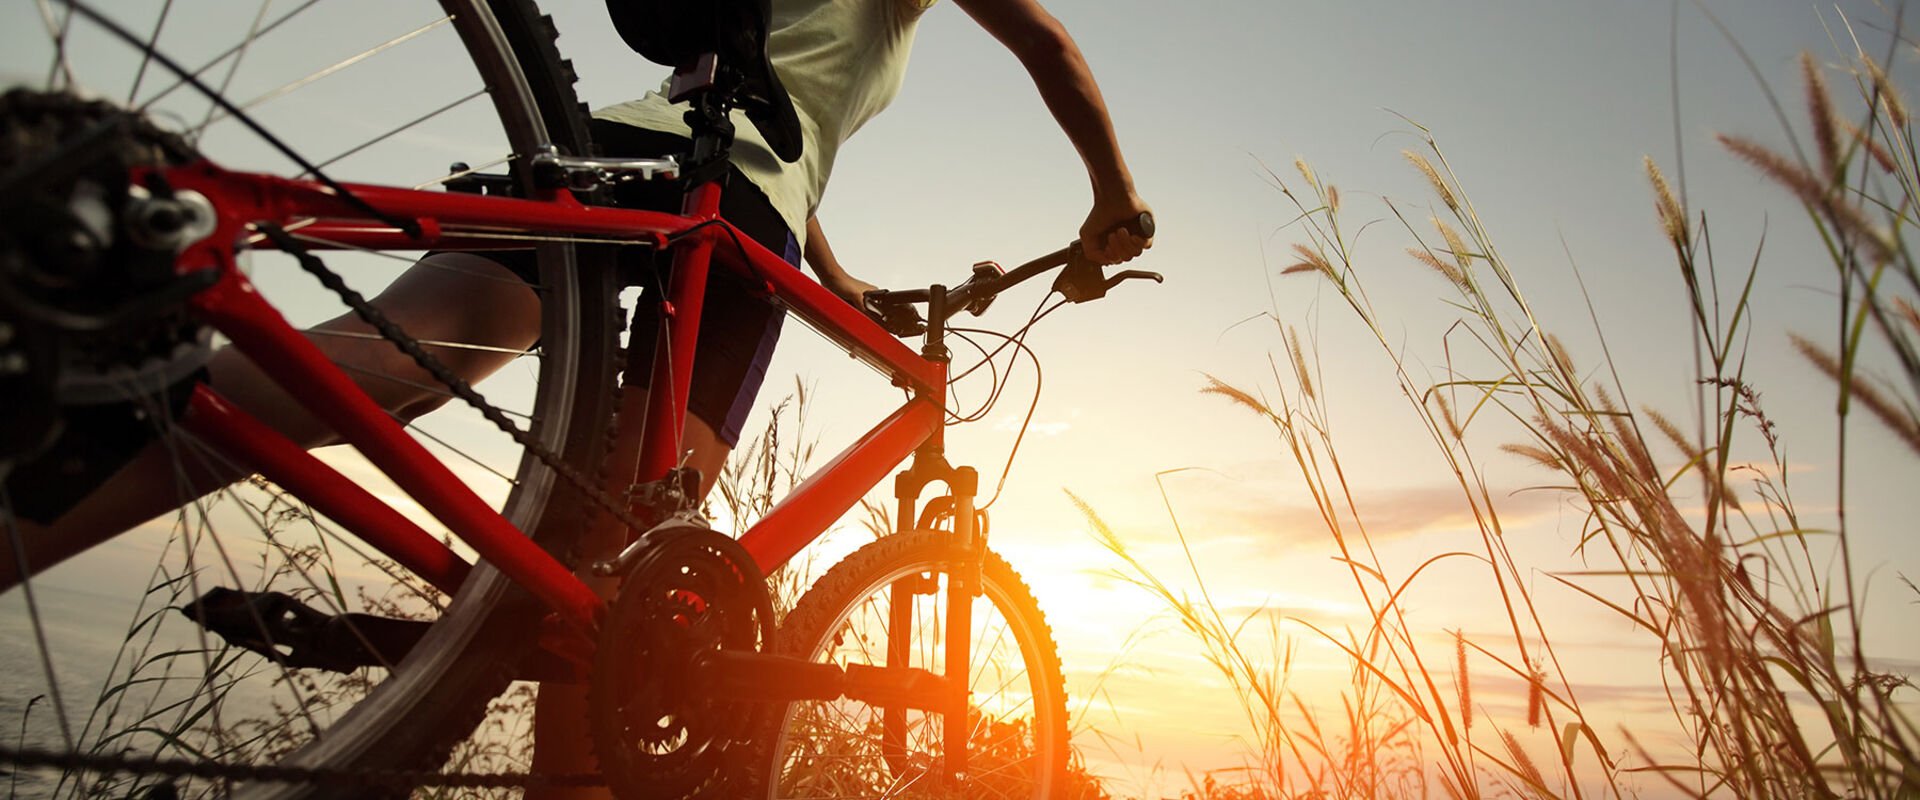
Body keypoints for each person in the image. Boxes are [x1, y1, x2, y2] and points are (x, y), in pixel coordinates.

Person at [3, 0, 1151, 792]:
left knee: (377, 362)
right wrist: (1116, 196)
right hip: (732, 230)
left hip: (616, 159)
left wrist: (840, 277)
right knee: (620, 612)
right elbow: (1047, 43)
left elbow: (752, 121)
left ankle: (107, 422)